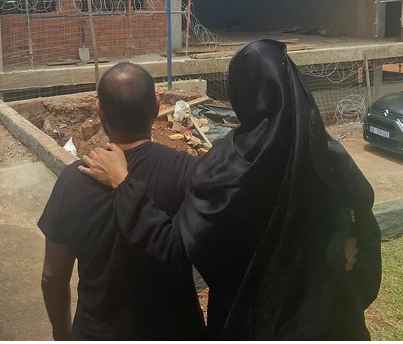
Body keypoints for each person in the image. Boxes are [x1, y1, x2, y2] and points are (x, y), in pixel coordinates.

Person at [79, 40, 382, 340]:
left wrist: (124, 183)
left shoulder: (227, 166)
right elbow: (366, 239)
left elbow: (173, 250)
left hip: (252, 325)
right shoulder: (331, 157)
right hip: (334, 324)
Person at [37, 62, 206, 340]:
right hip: (175, 330)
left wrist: (62, 333)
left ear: (100, 112)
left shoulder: (72, 180)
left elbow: (52, 276)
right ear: (156, 106)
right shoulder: (187, 171)